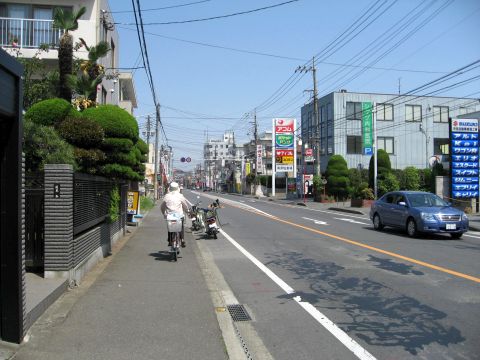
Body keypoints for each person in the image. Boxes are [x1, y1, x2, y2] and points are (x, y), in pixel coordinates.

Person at [160, 182, 191, 247]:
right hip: (179, 215)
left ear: (170, 188)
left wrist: (164, 213)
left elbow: (162, 207)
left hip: (170, 215)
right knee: (181, 226)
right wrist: (187, 211)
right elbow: (185, 206)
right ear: (177, 188)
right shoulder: (180, 196)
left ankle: (170, 240)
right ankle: (182, 239)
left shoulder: (167, 196)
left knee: (170, 226)